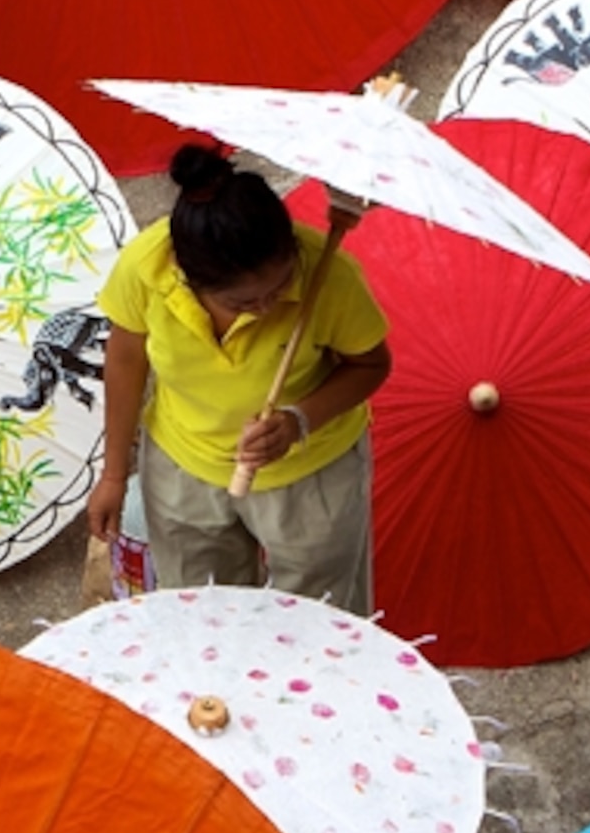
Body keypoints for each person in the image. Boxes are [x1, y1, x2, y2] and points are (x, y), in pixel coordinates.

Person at [89, 142, 392, 611]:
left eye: (278, 287)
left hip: (311, 476)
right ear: (188, 279)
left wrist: (297, 421)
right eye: (243, 303)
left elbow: (371, 365)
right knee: (199, 614)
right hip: (183, 465)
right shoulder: (146, 267)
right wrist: (113, 475)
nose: (266, 307)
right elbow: (126, 358)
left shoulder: (329, 276)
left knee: (321, 619)